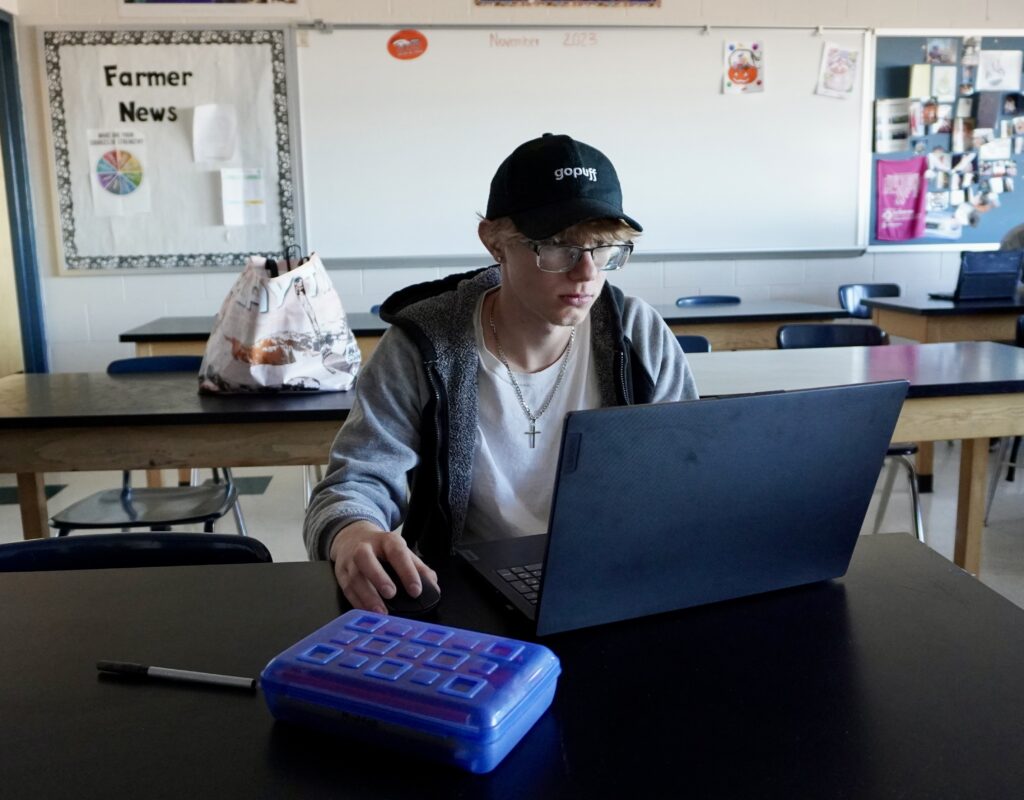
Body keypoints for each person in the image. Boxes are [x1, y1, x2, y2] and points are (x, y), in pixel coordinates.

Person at [303, 133, 699, 613]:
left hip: (609, 584)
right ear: (495, 242)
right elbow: (355, 481)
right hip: (461, 592)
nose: (587, 274)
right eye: (559, 247)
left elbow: (686, 473)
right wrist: (352, 531)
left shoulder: (637, 332)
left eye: (603, 249)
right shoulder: (422, 345)